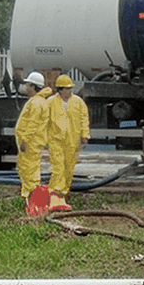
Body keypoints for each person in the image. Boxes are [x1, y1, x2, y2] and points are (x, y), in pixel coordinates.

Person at [45, 74, 91, 209]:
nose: (70, 91)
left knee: (68, 168)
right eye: (67, 88)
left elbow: (84, 119)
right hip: (55, 140)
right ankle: (55, 195)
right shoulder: (50, 102)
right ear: (60, 90)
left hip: (72, 141)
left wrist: (85, 135)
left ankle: (63, 194)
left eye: (70, 88)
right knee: (58, 167)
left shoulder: (78, 102)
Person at [12, 71, 53, 197]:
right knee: (30, 169)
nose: (26, 87)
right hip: (33, 142)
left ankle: (30, 196)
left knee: (28, 170)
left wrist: (24, 141)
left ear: (33, 86)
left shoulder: (36, 103)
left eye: (28, 84)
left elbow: (32, 124)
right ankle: (31, 195)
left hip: (30, 143)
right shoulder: (37, 101)